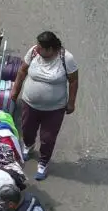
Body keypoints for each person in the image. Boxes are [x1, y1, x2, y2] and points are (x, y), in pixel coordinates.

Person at [7, 31, 78, 181]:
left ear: (51, 49)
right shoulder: (33, 52)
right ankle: (28, 145)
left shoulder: (66, 58)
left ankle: (43, 163)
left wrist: (71, 102)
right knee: (27, 129)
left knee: (48, 137)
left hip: (54, 109)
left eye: (41, 48)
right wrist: (15, 91)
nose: (37, 50)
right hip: (30, 103)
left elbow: (73, 81)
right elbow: (22, 71)